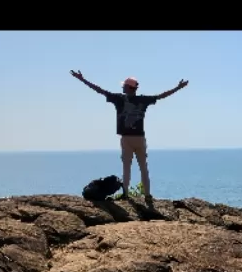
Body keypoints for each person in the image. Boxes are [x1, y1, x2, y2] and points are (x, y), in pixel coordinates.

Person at [70, 70, 188, 205]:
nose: (122, 88)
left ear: (127, 88)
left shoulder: (118, 99)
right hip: (140, 138)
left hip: (126, 138)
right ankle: (147, 195)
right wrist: (178, 88)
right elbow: (161, 96)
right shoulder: (143, 100)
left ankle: (126, 194)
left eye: (124, 86)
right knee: (143, 168)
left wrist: (82, 79)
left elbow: (99, 90)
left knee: (127, 167)